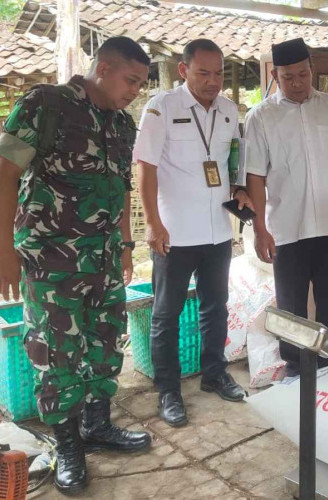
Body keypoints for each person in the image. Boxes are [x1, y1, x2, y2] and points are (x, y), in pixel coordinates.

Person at [0, 37, 152, 494]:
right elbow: (4, 172)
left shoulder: (122, 124)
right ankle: (68, 444)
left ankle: (97, 425)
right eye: (131, 81)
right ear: (103, 68)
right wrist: (4, 250)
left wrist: (125, 244)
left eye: (142, 85)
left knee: (106, 339)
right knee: (57, 350)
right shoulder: (46, 105)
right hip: (51, 260)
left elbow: (121, 187)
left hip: (103, 256)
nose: (135, 92)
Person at [134, 39, 252, 428]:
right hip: (174, 232)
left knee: (215, 305)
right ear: (184, 71)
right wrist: (153, 222)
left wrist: (238, 188)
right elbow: (145, 169)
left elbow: (231, 159)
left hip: (218, 230)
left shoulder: (230, 110)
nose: (213, 81)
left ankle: (214, 374)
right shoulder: (161, 108)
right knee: (166, 313)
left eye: (219, 73)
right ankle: (168, 390)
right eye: (203, 73)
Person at [244, 38, 328, 373]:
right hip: (287, 226)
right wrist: (260, 229)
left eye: (302, 74)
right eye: (287, 77)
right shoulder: (261, 116)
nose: (297, 83)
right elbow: (255, 175)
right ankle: (296, 369)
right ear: (275, 75)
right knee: (291, 306)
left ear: (312, 69)